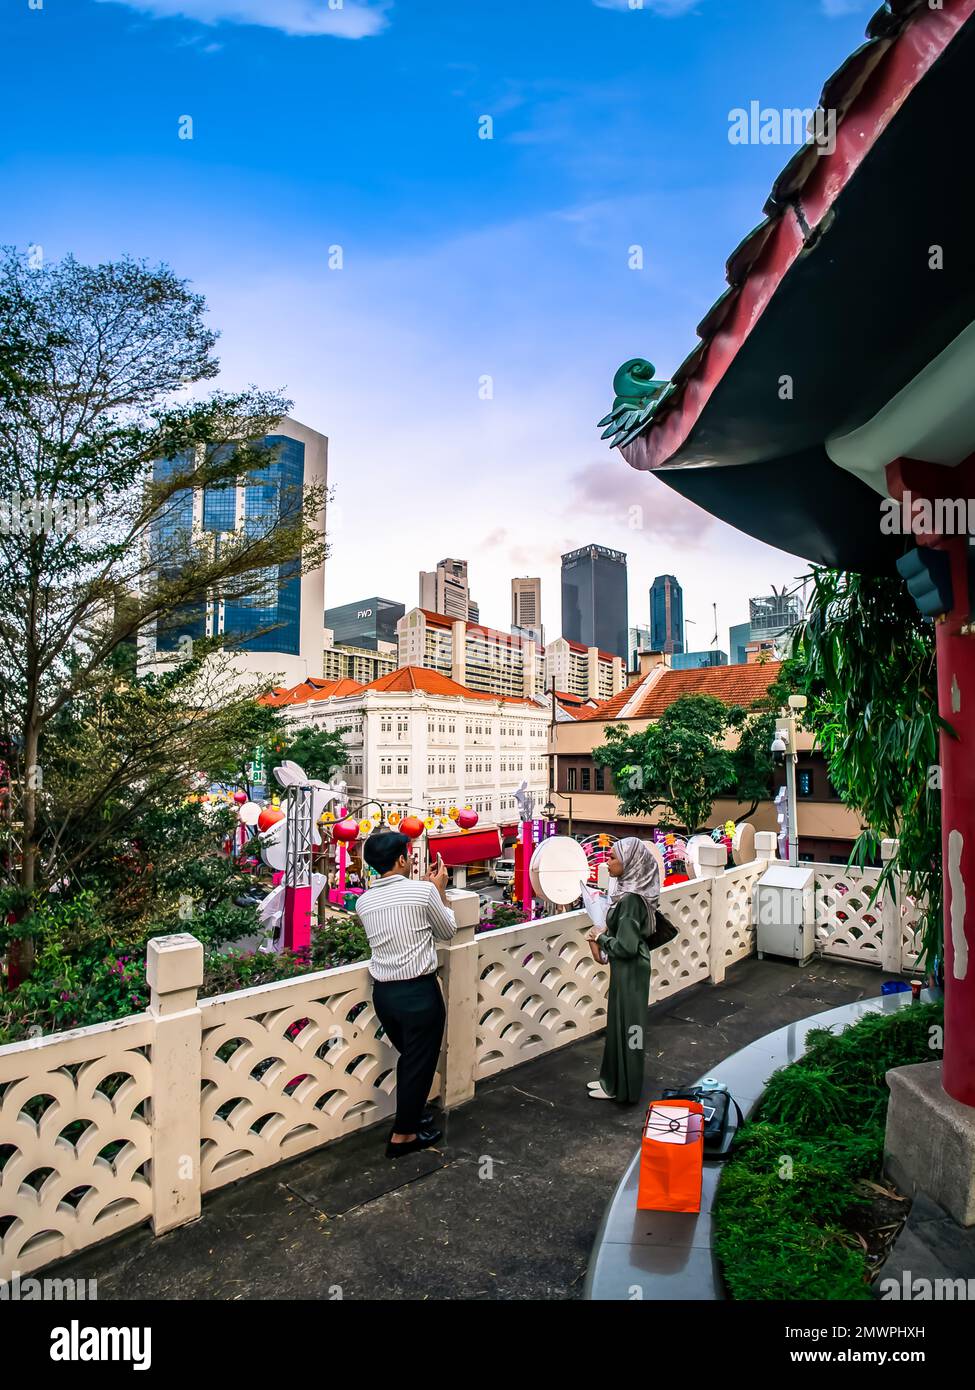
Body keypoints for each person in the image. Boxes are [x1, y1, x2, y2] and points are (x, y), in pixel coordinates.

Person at [356, 831, 456, 1158]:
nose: (411, 858)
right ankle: (403, 1136)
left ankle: (412, 1118)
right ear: (401, 859)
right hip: (419, 993)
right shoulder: (423, 892)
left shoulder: (363, 901)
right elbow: (447, 930)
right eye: (408, 853)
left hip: (385, 995)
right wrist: (439, 891)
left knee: (411, 1060)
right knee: (418, 1062)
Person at [586, 836, 660, 1103]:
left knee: (631, 1030)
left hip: (631, 970)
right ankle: (612, 1081)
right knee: (621, 1026)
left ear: (630, 863)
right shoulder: (629, 894)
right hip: (628, 970)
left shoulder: (630, 900)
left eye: (612, 857)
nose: (607, 862)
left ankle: (626, 1088)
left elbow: (626, 947)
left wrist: (600, 938)